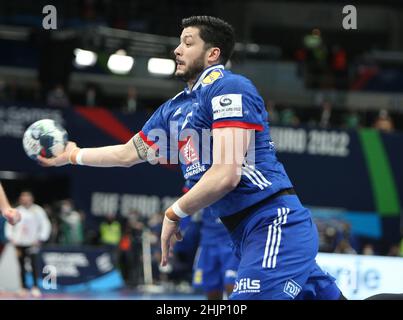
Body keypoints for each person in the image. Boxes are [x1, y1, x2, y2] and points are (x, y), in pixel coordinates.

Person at [38, 16, 403, 300]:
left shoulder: (230, 87)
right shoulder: (174, 109)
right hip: (242, 234)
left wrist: (173, 212)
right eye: (178, 43)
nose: (177, 50)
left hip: (273, 222)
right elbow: (128, 153)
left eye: (188, 43)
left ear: (213, 54)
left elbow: (226, 173)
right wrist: (74, 154)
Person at [5, 191, 51, 298]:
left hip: (32, 242)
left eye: (27, 197)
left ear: (31, 199)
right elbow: (9, 225)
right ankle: (23, 288)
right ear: (21, 199)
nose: (25, 199)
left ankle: (35, 287)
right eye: (23, 197)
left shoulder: (38, 210)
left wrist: (40, 238)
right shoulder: (16, 210)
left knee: (34, 265)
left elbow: (45, 224)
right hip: (19, 243)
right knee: (21, 266)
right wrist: (11, 238)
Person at [192, 208, 239, 300]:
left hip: (231, 242)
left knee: (233, 283)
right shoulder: (198, 197)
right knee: (211, 287)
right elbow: (194, 223)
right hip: (208, 243)